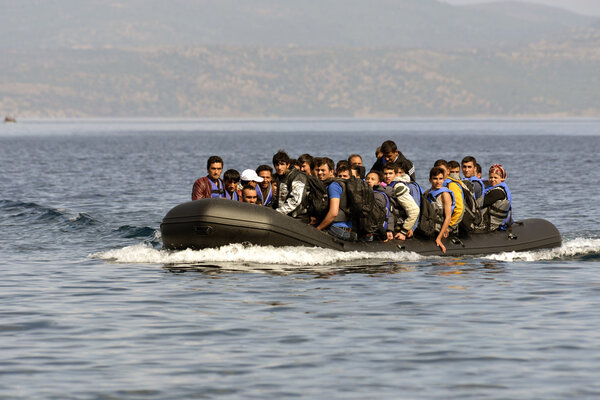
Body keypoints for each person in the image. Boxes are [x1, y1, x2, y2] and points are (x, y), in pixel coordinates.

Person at [314, 157, 353, 241]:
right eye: (318, 170)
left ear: (331, 172)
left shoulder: (334, 186)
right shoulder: (340, 184)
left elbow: (333, 213)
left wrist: (318, 229)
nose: (320, 173)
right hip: (346, 228)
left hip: (337, 229)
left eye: (323, 170)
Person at [382, 162, 419, 240]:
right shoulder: (387, 186)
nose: (387, 176)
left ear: (396, 174)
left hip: (399, 227)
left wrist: (404, 231)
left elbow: (414, 210)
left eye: (390, 173)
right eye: (385, 174)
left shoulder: (399, 187)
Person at [422, 167, 454, 253]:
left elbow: (448, 217)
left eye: (440, 179)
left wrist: (439, 238)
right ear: (430, 180)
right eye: (435, 179)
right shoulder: (427, 193)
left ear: (444, 179)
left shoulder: (445, 195)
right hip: (428, 226)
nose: (438, 182)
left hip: (438, 229)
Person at [272, 150, 308, 220]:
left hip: (298, 218)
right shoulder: (280, 178)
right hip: (285, 216)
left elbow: (295, 200)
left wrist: (278, 212)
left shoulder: (298, 177)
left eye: (282, 164)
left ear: (288, 165)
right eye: (277, 165)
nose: (279, 167)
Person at [433, 159, 464, 234]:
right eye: (438, 171)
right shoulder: (436, 186)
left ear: (448, 171)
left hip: (449, 228)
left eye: (442, 171)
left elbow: (459, 209)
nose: (440, 173)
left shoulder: (452, 185)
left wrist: (449, 227)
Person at [479, 164, 512, 231]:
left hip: (491, 225)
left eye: (495, 178)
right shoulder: (495, 188)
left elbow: (479, 204)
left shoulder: (497, 192)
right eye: (491, 177)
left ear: (502, 178)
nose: (492, 180)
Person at [365, 171, 396, 241]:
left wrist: (387, 232)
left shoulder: (377, 195)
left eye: (373, 179)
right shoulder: (369, 193)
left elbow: (377, 216)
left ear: (379, 183)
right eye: (367, 178)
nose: (369, 181)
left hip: (375, 232)